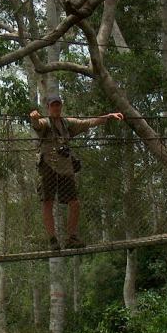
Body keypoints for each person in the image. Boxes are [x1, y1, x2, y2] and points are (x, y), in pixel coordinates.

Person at [30, 95, 124, 249]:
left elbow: (87, 122)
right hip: (47, 166)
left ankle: (71, 238)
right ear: (48, 108)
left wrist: (108, 116)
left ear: (61, 106)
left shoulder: (67, 123)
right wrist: (34, 118)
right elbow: (37, 125)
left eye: (58, 105)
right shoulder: (45, 123)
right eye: (53, 105)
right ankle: (53, 240)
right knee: (47, 202)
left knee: (74, 203)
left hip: (65, 167)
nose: (56, 108)